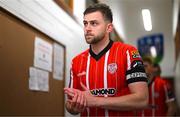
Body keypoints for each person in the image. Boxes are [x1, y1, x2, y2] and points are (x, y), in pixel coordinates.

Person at [64, 3, 149, 116]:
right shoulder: (76, 61)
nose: (87, 28)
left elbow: (142, 100)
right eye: (85, 23)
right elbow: (70, 107)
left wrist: (95, 101)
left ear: (109, 28)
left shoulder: (128, 53)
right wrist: (74, 106)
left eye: (94, 23)